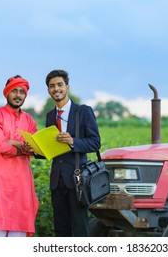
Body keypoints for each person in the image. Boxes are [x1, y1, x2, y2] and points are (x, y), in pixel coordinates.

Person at [44, 69, 101, 236]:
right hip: (56, 180)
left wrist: (73, 141)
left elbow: (95, 142)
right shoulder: (50, 115)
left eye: (60, 85)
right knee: (61, 228)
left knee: (79, 227)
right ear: (48, 90)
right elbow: (52, 149)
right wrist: (34, 149)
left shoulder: (83, 111)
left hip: (77, 179)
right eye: (52, 86)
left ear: (67, 87)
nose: (56, 89)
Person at [0, 75, 39, 237]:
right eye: (14, 91)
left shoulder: (29, 120)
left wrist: (13, 142)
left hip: (22, 184)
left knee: (19, 234)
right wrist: (23, 148)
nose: (18, 95)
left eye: (22, 92)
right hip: (0, 182)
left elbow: (35, 148)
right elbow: (1, 146)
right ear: (7, 93)